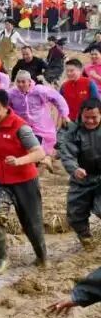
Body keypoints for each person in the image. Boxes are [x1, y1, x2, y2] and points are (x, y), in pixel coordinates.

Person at [0, 89, 48, 272]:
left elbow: (39, 153)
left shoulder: (20, 127)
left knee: (32, 223)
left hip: (24, 180)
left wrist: (19, 161)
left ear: (6, 107)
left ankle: (42, 257)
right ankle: (2, 258)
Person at [58, 98, 101, 250]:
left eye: (94, 117)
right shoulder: (72, 130)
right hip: (81, 178)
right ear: (81, 115)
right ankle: (86, 238)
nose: (90, 121)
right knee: (75, 214)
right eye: (86, 117)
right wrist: (74, 169)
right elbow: (67, 154)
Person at [8, 70, 69, 170]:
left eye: (23, 82)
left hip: (40, 126)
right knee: (23, 149)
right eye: (18, 82)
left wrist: (64, 114)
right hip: (21, 126)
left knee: (36, 148)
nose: (20, 84)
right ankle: (44, 160)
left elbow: (58, 98)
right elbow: (4, 105)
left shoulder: (39, 91)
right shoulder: (12, 93)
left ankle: (42, 163)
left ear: (29, 81)